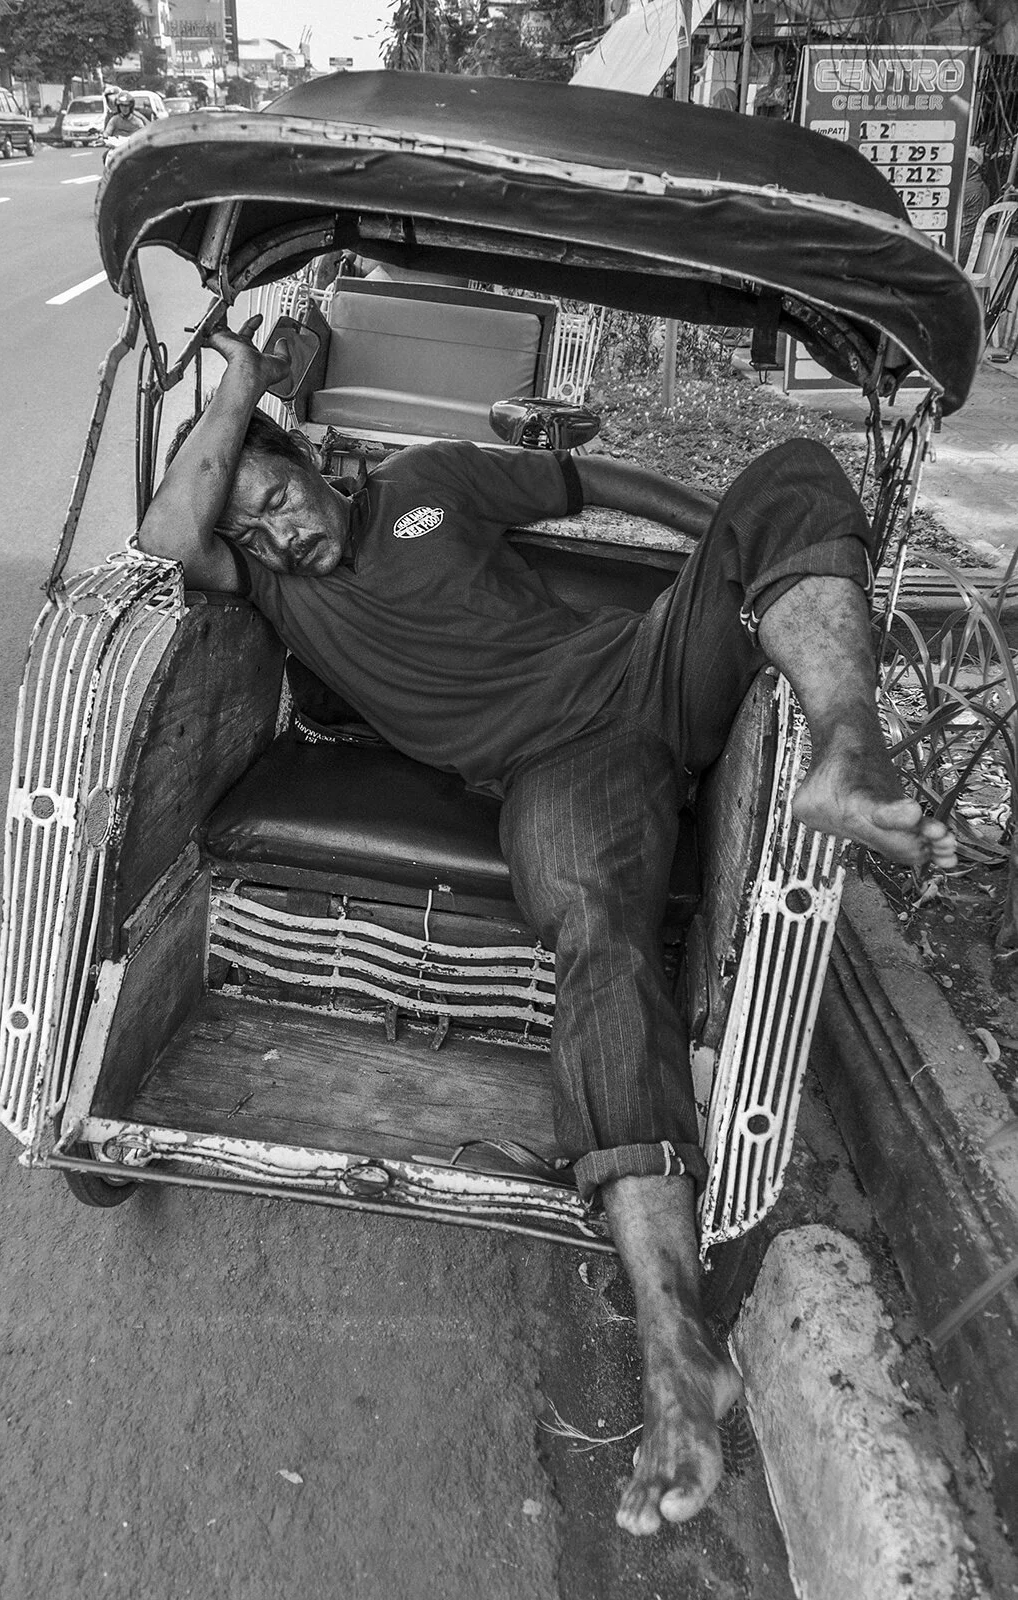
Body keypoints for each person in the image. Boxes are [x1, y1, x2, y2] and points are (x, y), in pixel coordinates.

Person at [136, 315, 957, 1537]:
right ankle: (678, 1346)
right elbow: (166, 533)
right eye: (244, 524)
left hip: (641, 666)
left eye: (275, 498)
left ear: (314, 462)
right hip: (557, 774)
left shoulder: (428, 483)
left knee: (788, 471)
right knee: (601, 944)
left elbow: (588, 482)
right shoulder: (258, 578)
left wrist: (737, 561)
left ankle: (843, 747)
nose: (273, 533)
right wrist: (240, 385)